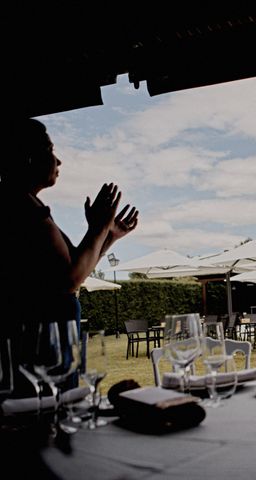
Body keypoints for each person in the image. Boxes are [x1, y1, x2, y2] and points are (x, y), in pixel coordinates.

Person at [0, 117, 139, 397]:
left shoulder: (27, 203)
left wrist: (108, 234)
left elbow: (77, 266)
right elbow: (68, 280)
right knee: (47, 422)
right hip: (39, 345)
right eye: (50, 150)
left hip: (49, 340)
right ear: (28, 157)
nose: (58, 161)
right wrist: (99, 227)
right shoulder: (22, 208)